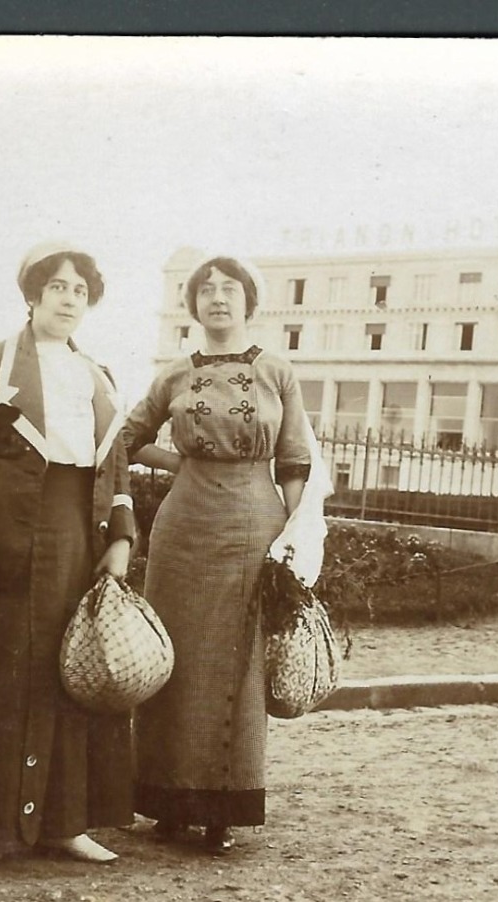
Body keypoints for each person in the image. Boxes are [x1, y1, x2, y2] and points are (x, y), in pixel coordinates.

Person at [0, 241, 137, 864]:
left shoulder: (98, 376)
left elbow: (118, 467)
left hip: (82, 532)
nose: (69, 299)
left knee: (77, 671)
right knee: (8, 673)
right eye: (57, 287)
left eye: (80, 290)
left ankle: (63, 822)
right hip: (17, 534)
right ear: (32, 294)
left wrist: (122, 542)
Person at [122, 254, 324, 853]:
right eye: (205, 290)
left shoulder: (278, 372)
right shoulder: (174, 374)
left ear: (248, 301)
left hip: (250, 525)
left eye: (228, 289)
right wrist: (179, 461)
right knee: (175, 661)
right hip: (183, 529)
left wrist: (292, 539)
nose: (216, 298)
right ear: (192, 305)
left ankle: (222, 810)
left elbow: (293, 459)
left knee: (233, 664)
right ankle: (165, 804)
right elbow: (127, 439)